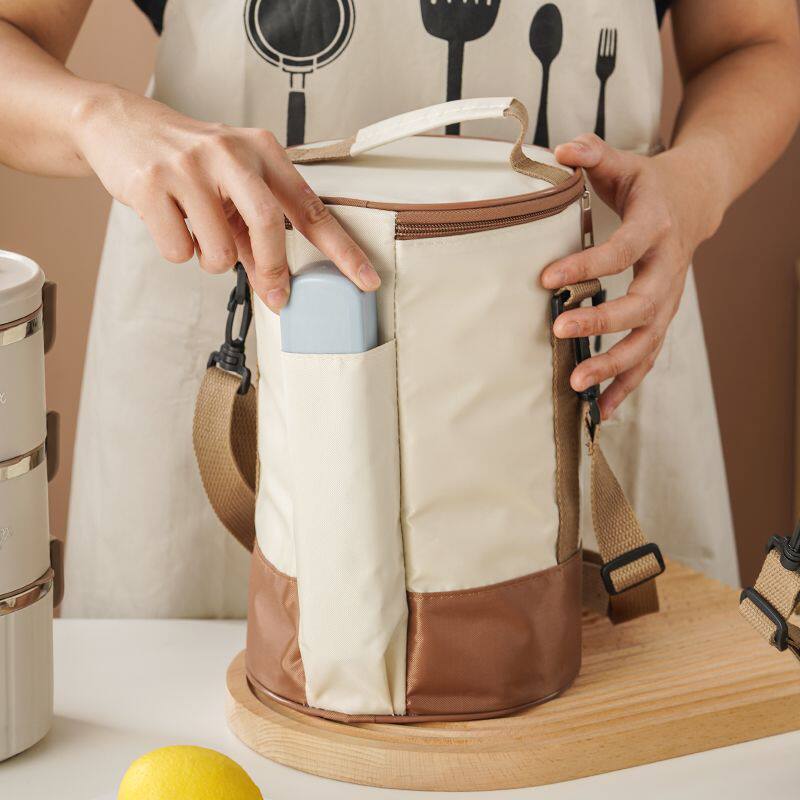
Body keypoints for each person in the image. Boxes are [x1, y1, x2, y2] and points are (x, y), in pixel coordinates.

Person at [0, 0, 797, 617]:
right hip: (245, 350)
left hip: (579, 338)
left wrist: (697, 182)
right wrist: (96, 120)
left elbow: (759, 43)